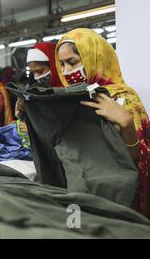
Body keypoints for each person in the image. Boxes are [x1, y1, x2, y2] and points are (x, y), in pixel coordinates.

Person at [55, 28, 149, 218]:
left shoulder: (124, 98)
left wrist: (127, 125)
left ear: (94, 57)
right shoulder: (69, 100)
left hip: (120, 195)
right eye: (62, 64)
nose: (66, 71)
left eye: (72, 62)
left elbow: (134, 162)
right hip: (84, 190)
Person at [16, 42, 64, 133]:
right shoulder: (40, 92)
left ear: (54, 65)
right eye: (33, 72)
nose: (36, 77)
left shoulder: (67, 92)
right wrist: (26, 112)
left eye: (40, 71)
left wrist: (33, 129)